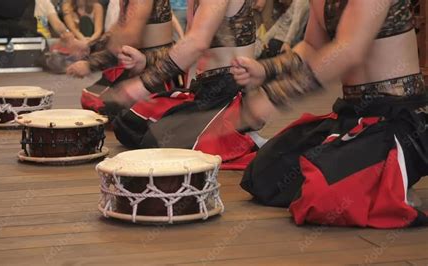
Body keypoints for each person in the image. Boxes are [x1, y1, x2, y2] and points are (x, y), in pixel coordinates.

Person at [231, 0, 428, 228]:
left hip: (399, 120)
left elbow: (349, 50)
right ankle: (367, 176)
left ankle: (391, 181)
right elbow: (311, 47)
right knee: (265, 175)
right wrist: (266, 69)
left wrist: (276, 95)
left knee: (322, 196)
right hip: (352, 116)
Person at [110, 0, 262, 169]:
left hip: (231, 93)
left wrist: (144, 83)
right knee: (128, 124)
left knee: (155, 143)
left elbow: (197, 43)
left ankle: (242, 136)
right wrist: (146, 61)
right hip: (204, 90)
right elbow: (186, 50)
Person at [66, 0, 176, 117]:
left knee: (110, 108)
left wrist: (91, 64)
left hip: (159, 67)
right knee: (93, 100)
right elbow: (118, 31)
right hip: (138, 59)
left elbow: (128, 38)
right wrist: (89, 47)